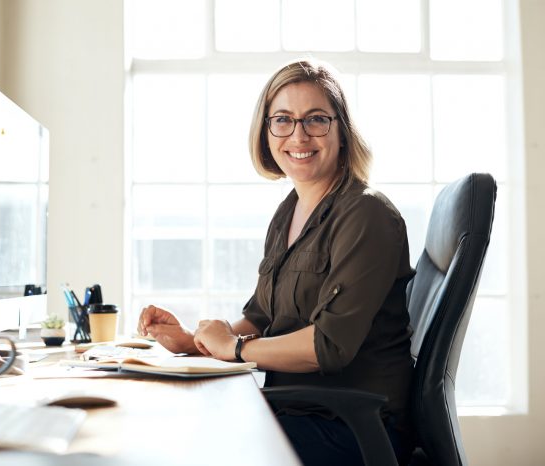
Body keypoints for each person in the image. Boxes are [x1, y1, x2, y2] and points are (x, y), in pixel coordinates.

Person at [137, 60, 414, 466]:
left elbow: (328, 346)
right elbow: (262, 316)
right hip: (295, 411)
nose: (298, 135)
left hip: (351, 428)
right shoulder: (289, 211)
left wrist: (231, 348)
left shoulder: (365, 214)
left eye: (316, 119)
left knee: (183, 445)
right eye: (282, 120)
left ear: (341, 131)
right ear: (266, 133)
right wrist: (193, 343)